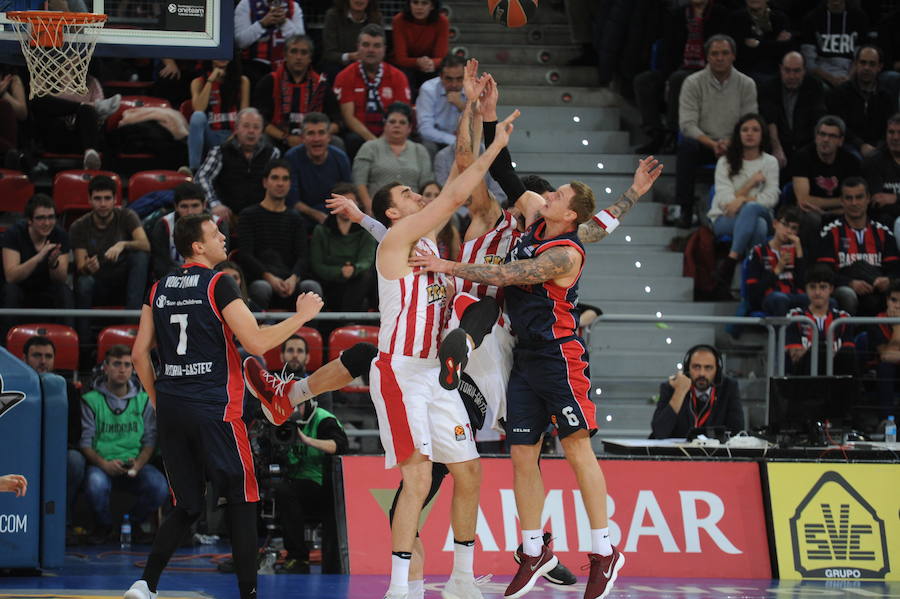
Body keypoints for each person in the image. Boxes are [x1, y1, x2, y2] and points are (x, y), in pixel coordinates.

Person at [408, 115, 660, 599]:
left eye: (558, 196)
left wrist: (447, 264)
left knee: (575, 449)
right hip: (525, 356)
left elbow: (512, 275)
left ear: (569, 215)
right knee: (522, 453)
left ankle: (605, 551)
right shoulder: (538, 217)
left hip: (560, 356)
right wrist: (487, 115)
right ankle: (534, 548)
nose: (549, 197)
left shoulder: (565, 251)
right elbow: (505, 171)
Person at [125, 211, 326, 599]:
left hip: (172, 406)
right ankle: (248, 594)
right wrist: (302, 316)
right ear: (197, 245)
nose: (222, 237)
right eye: (215, 233)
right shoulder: (219, 284)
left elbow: (138, 355)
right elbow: (256, 344)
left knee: (185, 504)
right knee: (243, 496)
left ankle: (144, 584)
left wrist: (158, 399)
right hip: (215, 406)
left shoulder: (158, 288)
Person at [271, 335, 350, 574]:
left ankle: (313, 560)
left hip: (321, 484)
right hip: (295, 481)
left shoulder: (323, 419)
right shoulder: (280, 421)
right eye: (290, 402)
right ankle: (288, 557)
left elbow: (341, 446)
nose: (295, 408)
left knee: (292, 492)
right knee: (273, 489)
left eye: (299, 402)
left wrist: (306, 439)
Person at [80, 345, 169, 545]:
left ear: (133, 368)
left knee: (159, 487)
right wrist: (104, 464)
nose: (122, 369)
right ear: (106, 367)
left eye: (127, 365)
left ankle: (134, 524)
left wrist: (138, 464)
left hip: (134, 465)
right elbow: (85, 443)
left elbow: (150, 440)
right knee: (95, 484)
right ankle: (105, 527)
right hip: (102, 466)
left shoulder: (145, 400)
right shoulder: (91, 400)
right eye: (117, 364)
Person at [676, 34, 759, 228]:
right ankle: (685, 209)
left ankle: (750, 207)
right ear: (707, 57)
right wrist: (714, 144)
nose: (720, 58)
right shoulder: (692, 82)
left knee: (756, 143)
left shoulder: (746, 84)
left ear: (733, 56)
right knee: (686, 146)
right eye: (714, 54)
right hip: (705, 143)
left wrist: (731, 143)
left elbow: (750, 122)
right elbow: (687, 125)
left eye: (724, 53)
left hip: (736, 144)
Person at [632, 0, 729, 156]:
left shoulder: (721, 14)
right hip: (680, 68)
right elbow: (668, 50)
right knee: (644, 81)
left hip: (709, 72)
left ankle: (673, 133)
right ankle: (655, 133)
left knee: (679, 79)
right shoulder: (677, 15)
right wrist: (666, 78)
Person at [237, 159, 324, 310]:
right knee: (261, 288)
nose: (280, 183)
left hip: (290, 281)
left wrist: (294, 278)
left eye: (285, 179)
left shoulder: (296, 219)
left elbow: (303, 256)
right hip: (260, 278)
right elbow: (245, 255)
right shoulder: (248, 215)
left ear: (290, 184)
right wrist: (268, 276)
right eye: (275, 178)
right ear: (265, 182)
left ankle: (309, 333)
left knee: (312, 288)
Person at [708, 113, 780, 290]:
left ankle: (731, 261)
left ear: (762, 134)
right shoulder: (725, 162)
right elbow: (725, 202)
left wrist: (742, 200)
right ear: (738, 134)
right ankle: (751, 285)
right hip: (725, 219)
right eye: (745, 130)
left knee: (752, 209)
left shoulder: (770, 162)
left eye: (755, 130)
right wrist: (750, 184)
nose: (750, 133)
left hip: (762, 212)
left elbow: (771, 198)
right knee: (759, 226)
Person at [23, 335, 83, 533]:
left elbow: (75, 432)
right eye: (37, 355)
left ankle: (60, 521)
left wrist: (52, 448)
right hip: (21, 452)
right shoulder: (14, 387)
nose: (43, 361)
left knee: (74, 461)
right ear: (24, 358)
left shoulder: (68, 389)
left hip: (57, 451)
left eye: (48, 356)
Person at [817, 177, 900, 316]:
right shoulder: (830, 233)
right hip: (845, 290)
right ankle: (846, 334)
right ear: (842, 201)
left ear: (868, 198)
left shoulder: (884, 233)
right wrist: (850, 283)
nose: (854, 203)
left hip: (879, 293)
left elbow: (895, 269)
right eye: (849, 198)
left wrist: (888, 280)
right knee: (847, 294)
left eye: (859, 197)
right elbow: (824, 274)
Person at [70, 175, 150, 313]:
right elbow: (80, 266)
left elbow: (145, 245)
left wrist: (123, 244)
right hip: (97, 282)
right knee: (84, 282)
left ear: (115, 200)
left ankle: (131, 326)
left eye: (107, 198)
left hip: (125, 281)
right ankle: (83, 334)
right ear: (89, 200)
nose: (102, 204)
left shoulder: (127, 216)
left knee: (140, 256)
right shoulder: (79, 226)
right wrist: (88, 267)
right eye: (97, 198)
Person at [332, 24, 412, 159]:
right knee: (352, 140)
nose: (371, 50)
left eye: (376, 46)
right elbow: (348, 117)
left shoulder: (398, 77)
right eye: (366, 45)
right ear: (358, 47)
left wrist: (384, 140)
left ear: (384, 50)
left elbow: (401, 114)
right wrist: (374, 142)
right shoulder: (345, 76)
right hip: (360, 135)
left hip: (390, 133)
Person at [253, 35, 342, 152]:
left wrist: (316, 135)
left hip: (314, 140)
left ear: (310, 58)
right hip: (279, 138)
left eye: (304, 53)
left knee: (336, 142)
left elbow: (338, 122)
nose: (298, 57)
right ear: (285, 55)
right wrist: (286, 138)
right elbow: (260, 120)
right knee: (261, 140)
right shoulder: (270, 81)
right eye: (294, 52)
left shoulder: (322, 84)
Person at [196, 107, 281, 224]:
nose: (251, 131)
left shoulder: (272, 153)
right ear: (236, 129)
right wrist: (215, 205)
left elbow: (278, 185)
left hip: (261, 215)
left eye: (256, 127)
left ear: (261, 131)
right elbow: (201, 178)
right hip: (227, 215)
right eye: (246, 126)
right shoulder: (219, 151)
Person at [790, 115, 861, 248]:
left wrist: (829, 212)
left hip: (840, 213)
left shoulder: (851, 162)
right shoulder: (802, 157)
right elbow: (804, 201)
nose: (826, 139)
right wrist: (842, 201)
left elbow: (857, 202)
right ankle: (809, 264)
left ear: (840, 141)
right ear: (816, 137)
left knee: (857, 214)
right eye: (822, 134)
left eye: (832, 136)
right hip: (811, 214)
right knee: (811, 218)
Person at [353, 102, 433, 213]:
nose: (397, 125)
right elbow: (359, 181)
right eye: (392, 121)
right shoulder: (369, 147)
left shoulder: (419, 151)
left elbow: (426, 186)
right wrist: (368, 206)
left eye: (402, 122)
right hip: (377, 210)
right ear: (385, 125)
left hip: (412, 212)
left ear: (409, 128)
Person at [650, 344, 744, 439]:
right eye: (696, 367)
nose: (702, 373)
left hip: (714, 452)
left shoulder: (729, 387)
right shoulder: (671, 387)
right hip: (678, 452)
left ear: (717, 371)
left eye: (708, 368)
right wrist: (679, 392)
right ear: (687, 369)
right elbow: (659, 432)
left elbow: (736, 432)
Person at [309, 182, 377, 311]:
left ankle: (346, 324)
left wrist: (353, 269)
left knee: (367, 277)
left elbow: (366, 261)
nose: (346, 208)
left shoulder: (365, 231)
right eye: (341, 203)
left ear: (357, 205)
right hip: (329, 284)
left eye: (350, 203)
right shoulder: (321, 230)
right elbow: (317, 265)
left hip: (357, 283)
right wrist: (340, 271)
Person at [2, 194, 73, 316]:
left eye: (51, 217)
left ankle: (68, 333)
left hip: (46, 288)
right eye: (40, 218)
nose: (47, 223)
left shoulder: (60, 235)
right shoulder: (13, 234)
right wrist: (39, 257)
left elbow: (60, 279)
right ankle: (7, 335)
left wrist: (53, 264)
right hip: (20, 288)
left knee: (64, 291)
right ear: (29, 220)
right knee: (10, 291)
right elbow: (11, 277)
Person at [824, 45, 897, 159]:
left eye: (872, 64)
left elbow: (891, 126)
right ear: (856, 64)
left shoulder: (886, 96)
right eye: (863, 63)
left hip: (880, 147)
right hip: (850, 145)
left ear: (880, 67)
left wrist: (879, 148)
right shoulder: (840, 93)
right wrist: (861, 145)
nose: (866, 68)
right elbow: (840, 126)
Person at [760, 51, 826, 172]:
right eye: (787, 70)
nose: (791, 76)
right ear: (780, 69)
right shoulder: (769, 86)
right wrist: (776, 148)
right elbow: (770, 119)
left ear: (804, 71)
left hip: (807, 144)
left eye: (796, 71)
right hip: (779, 144)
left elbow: (818, 119)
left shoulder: (814, 86)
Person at [785, 263, 856, 375]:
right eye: (812, 287)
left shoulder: (843, 318)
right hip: (804, 376)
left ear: (831, 289)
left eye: (823, 287)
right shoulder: (794, 316)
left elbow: (847, 353)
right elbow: (795, 355)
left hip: (836, 375)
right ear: (806, 289)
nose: (817, 292)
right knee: (819, 349)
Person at [149, 182, 229, 279]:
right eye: (184, 206)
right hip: (173, 278)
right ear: (176, 206)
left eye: (195, 205)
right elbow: (161, 264)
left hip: (209, 277)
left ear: (204, 205)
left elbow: (221, 262)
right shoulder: (163, 224)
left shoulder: (218, 223)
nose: (190, 212)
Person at [284, 112, 352, 224]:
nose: (316, 139)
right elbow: (292, 200)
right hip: (302, 215)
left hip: (334, 215)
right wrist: (316, 214)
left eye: (321, 133)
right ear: (303, 138)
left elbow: (348, 195)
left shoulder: (340, 158)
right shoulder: (291, 158)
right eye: (311, 133)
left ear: (329, 137)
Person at [188, 57, 250, 170]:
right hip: (211, 135)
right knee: (197, 116)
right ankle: (194, 169)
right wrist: (211, 80)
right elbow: (198, 108)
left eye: (225, 53)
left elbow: (244, 115)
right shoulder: (198, 82)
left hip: (234, 136)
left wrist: (236, 136)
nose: (222, 57)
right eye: (218, 53)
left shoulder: (242, 81)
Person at [746, 206, 808, 316]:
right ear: (775, 224)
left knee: (825, 301)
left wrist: (799, 254)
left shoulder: (799, 252)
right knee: (780, 299)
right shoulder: (758, 252)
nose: (788, 231)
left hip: (794, 296)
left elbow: (803, 285)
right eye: (785, 225)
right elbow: (753, 292)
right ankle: (782, 333)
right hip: (770, 297)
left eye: (793, 228)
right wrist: (778, 269)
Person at [800, 0, 872, 89]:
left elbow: (861, 57)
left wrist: (849, 78)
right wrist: (831, 79)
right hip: (821, 78)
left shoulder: (860, 18)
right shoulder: (811, 19)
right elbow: (809, 62)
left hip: (852, 75)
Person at [234, 0, 305, 87]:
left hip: (287, 69)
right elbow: (240, 42)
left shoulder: (293, 6)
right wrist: (262, 24)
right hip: (253, 68)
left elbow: (301, 43)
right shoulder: (246, 4)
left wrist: (285, 23)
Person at [390, 0, 450, 96]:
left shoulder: (442, 22)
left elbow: (441, 58)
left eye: (424, 3)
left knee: (439, 75)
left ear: (432, 6)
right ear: (409, 4)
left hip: (430, 66)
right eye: (415, 2)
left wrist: (432, 63)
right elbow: (400, 58)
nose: (419, 7)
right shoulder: (399, 20)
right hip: (405, 66)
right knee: (405, 75)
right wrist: (418, 62)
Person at [726, 0, 793, 85]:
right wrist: (774, 43)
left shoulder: (780, 18)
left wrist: (758, 44)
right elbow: (740, 51)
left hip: (775, 69)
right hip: (745, 71)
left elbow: (785, 49)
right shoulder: (736, 18)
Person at [415, 54, 466, 156]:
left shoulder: (475, 89)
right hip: (436, 140)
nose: (454, 84)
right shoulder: (428, 89)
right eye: (449, 79)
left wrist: (461, 106)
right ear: (441, 77)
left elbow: (480, 127)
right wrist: (454, 141)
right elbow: (425, 129)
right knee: (426, 147)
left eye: (459, 79)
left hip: (465, 140)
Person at [321, 0, 383, 81]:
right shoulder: (333, 16)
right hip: (338, 66)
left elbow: (380, 49)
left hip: (367, 64)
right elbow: (329, 53)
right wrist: (350, 56)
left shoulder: (376, 17)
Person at [866, 279, 900, 417]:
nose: (898, 306)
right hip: (887, 373)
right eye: (894, 300)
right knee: (886, 366)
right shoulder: (878, 321)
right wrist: (897, 326)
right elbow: (885, 355)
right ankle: (886, 420)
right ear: (887, 300)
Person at [863, 113, 900, 232]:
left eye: (899, 132)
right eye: (891, 132)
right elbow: (877, 202)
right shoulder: (874, 161)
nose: (895, 137)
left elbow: (888, 201)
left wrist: (895, 198)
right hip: (886, 219)